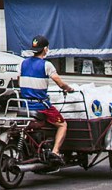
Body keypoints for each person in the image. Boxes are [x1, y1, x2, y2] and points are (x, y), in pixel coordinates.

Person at [19, 35, 73, 165]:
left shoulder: (22, 63)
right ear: (45, 49)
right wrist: (68, 88)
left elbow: (19, 80)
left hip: (25, 106)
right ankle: (55, 151)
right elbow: (59, 82)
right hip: (41, 107)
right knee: (62, 125)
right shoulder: (47, 65)